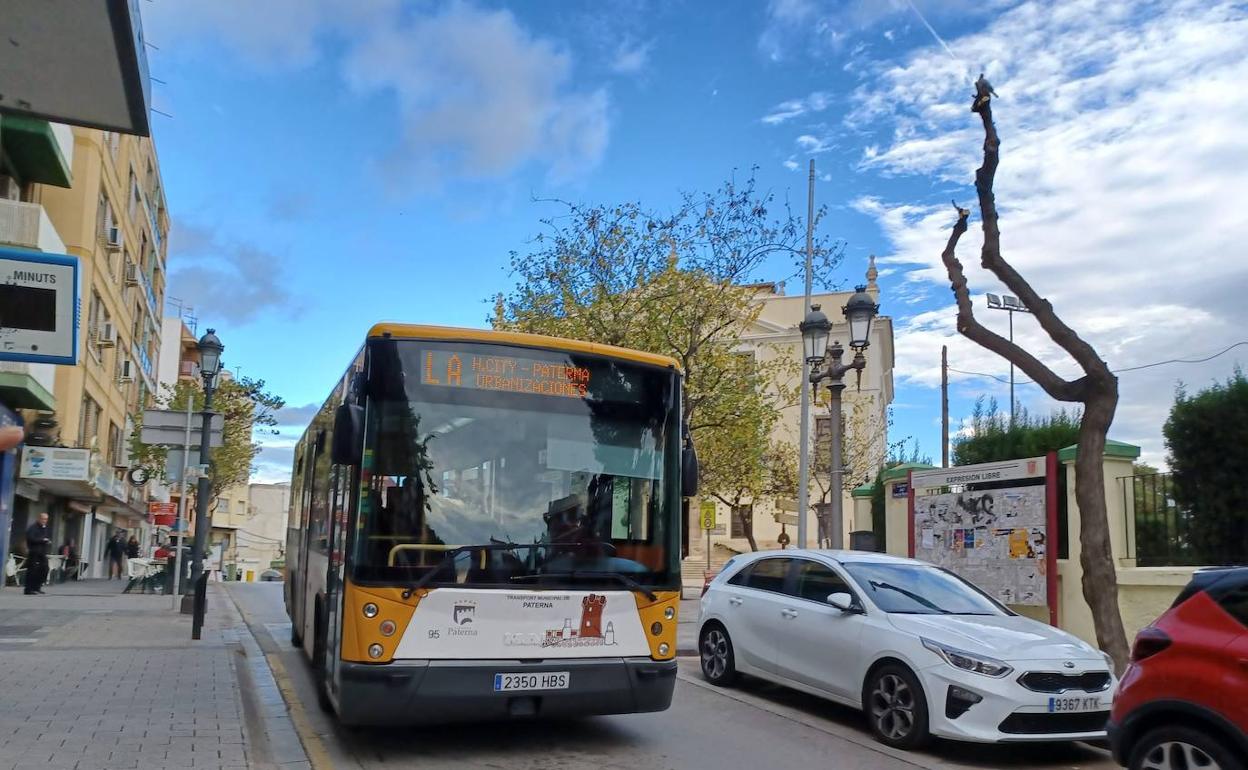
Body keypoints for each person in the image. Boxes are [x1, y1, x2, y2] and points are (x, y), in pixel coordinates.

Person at [24, 512, 51, 595]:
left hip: (42, 553)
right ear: (39, 519)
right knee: (32, 570)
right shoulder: (33, 528)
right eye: (43, 519)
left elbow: (45, 538)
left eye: (46, 519)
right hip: (34, 552)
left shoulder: (45, 528)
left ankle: (37, 587)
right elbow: (31, 538)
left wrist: (47, 541)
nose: (44, 521)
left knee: (45, 568)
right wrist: (42, 540)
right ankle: (29, 589)